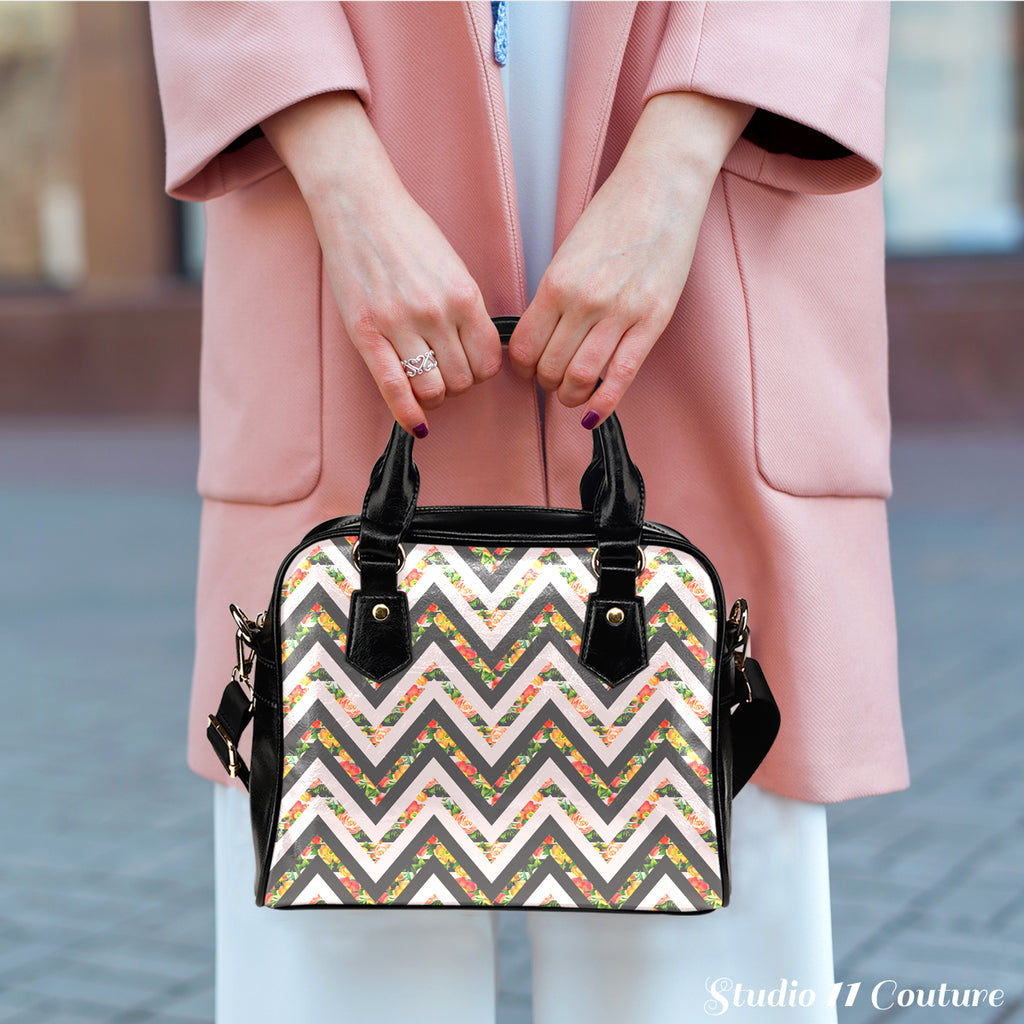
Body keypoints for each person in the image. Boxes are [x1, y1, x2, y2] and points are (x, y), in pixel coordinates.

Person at [150, 3, 909, 1021]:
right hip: (335, 159)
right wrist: (342, 182)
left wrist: (678, 159)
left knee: (699, 927)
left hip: (710, 159)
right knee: (338, 918)